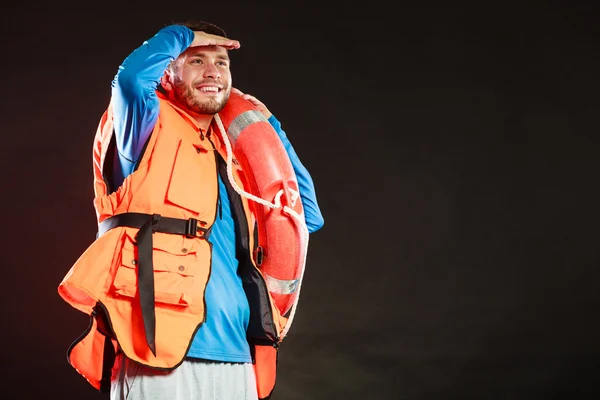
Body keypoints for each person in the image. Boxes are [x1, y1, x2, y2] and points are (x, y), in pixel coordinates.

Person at [57, 20, 324, 400]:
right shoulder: (143, 129)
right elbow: (131, 80)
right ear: (168, 72)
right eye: (197, 61)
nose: (213, 70)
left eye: (221, 62)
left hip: (236, 354)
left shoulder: (230, 156)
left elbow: (307, 214)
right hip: (156, 351)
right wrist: (184, 34)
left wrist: (269, 128)